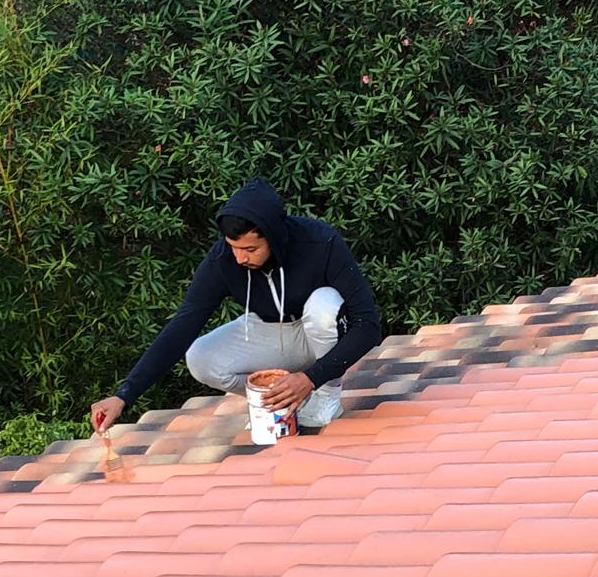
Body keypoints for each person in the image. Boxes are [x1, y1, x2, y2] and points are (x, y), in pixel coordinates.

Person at [90, 177, 382, 433]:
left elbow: (368, 326)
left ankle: (324, 397)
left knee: (324, 304)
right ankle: (275, 400)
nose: (241, 258)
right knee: (200, 357)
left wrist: (311, 378)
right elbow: (183, 325)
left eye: (250, 249)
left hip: (320, 332)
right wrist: (124, 395)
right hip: (270, 331)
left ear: (274, 237)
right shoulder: (223, 260)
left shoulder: (320, 242)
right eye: (234, 248)